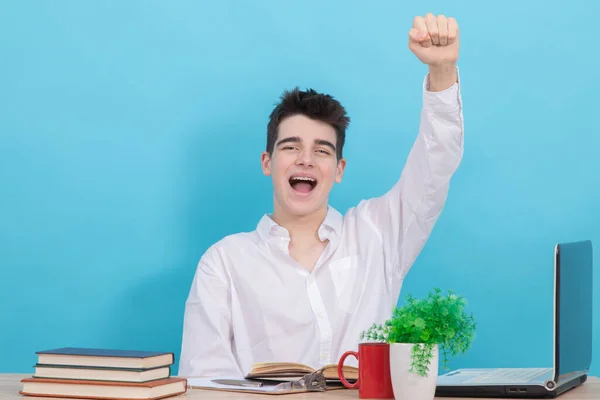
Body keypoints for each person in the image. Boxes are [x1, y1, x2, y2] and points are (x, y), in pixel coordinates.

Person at [178, 13, 464, 378]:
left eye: (322, 150)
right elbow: (205, 378)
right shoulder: (223, 264)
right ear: (267, 162)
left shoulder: (378, 235)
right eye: (291, 147)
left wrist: (442, 72)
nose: (306, 160)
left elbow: (435, 166)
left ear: (339, 169)